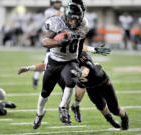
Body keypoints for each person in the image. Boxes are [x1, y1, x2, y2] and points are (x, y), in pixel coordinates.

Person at [18, 1, 110, 129]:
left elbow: (79, 44)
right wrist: (59, 43)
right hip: (55, 60)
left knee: (71, 81)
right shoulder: (57, 22)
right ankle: (39, 114)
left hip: (70, 60)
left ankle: (63, 108)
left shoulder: (84, 25)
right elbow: (45, 41)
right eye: (71, 19)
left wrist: (84, 55)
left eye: (76, 20)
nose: (74, 22)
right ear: (66, 16)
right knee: (45, 92)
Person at [70, 52, 129, 130]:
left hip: (102, 83)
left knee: (114, 109)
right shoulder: (66, 60)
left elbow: (85, 71)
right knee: (100, 105)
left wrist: (77, 73)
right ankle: (110, 120)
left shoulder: (82, 57)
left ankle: (125, 118)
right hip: (89, 86)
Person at [32, 0, 64, 90]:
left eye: (59, 2)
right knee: (49, 58)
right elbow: (54, 21)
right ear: (52, 3)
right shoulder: (49, 11)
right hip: (52, 35)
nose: (58, 4)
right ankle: (40, 78)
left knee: (50, 58)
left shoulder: (62, 9)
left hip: (60, 35)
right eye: (56, 2)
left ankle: (36, 76)